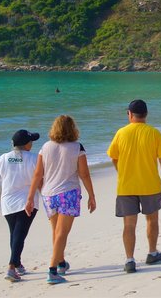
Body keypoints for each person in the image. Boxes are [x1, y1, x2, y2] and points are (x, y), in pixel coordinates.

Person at [25, 115, 96, 285]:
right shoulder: (77, 147)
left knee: (56, 231)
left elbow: (37, 174)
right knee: (62, 233)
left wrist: (30, 198)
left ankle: (61, 263)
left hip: (48, 194)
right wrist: (91, 195)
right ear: (73, 129)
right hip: (68, 193)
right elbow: (84, 174)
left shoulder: (45, 147)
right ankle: (52, 270)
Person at [107, 100, 161, 274]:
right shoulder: (154, 133)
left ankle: (130, 260)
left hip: (126, 186)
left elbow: (113, 157)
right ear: (146, 114)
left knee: (129, 224)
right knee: (152, 220)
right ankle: (152, 252)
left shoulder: (121, 133)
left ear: (129, 114)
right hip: (149, 185)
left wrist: (121, 171)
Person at [0, 129, 42, 282]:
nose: (32, 144)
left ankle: (18, 264)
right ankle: (11, 267)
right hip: (28, 203)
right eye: (31, 141)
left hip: (7, 203)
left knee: (15, 234)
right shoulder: (35, 158)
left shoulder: (4, 158)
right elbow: (40, 180)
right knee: (19, 235)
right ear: (26, 144)